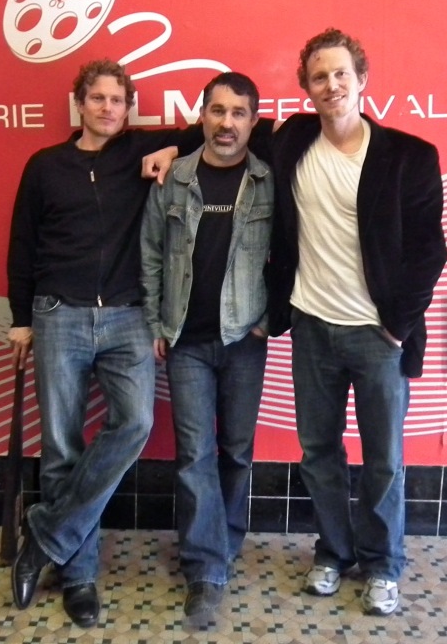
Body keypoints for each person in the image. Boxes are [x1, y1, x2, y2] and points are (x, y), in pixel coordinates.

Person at [6, 59, 203, 627]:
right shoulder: (45, 166)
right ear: (80, 104)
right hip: (57, 313)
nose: (108, 108)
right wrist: (22, 319)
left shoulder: (139, 152)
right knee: (62, 447)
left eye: (118, 100)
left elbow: (223, 130)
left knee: (135, 423)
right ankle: (79, 575)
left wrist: (172, 151)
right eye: (98, 99)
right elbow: (22, 244)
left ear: (128, 107)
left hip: (127, 317)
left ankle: (42, 537)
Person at [268, 28, 447, 616]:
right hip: (312, 327)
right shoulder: (293, 140)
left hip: (377, 337)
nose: (331, 85)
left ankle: (383, 564)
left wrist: (397, 324)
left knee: (383, 459)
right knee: (319, 451)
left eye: (341, 73)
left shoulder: (409, 156)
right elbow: (222, 131)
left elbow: (430, 251)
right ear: (306, 89)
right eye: (319, 77)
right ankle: (333, 552)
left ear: (362, 79)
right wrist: (169, 146)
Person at [140, 72, 272, 625]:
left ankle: (225, 540)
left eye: (238, 112)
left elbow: (293, 250)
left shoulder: (269, 180)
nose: (226, 123)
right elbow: (150, 252)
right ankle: (203, 567)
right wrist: (154, 321)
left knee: (237, 452)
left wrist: (270, 317)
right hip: (187, 341)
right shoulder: (174, 178)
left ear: (252, 121)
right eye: (217, 111)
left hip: (245, 338)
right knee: (194, 457)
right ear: (201, 115)